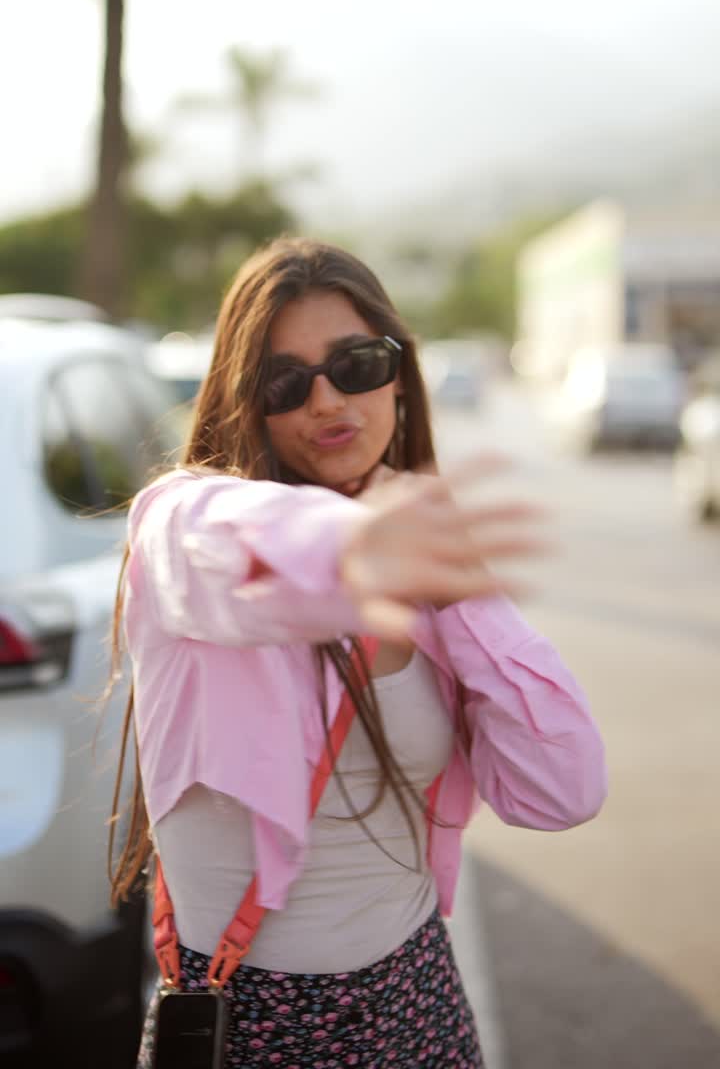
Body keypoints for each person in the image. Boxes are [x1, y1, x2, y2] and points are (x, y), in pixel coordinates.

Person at [108, 236, 607, 1069]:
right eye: (285, 381)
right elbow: (231, 542)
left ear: (399, 373)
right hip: (260, 1020)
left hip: (418, 999)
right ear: (246, 399)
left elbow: (563, 791)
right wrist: (355, 547)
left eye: (357, 363)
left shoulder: (422, 553)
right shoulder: (181, 522)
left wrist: (459, 586)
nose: (328, 399)